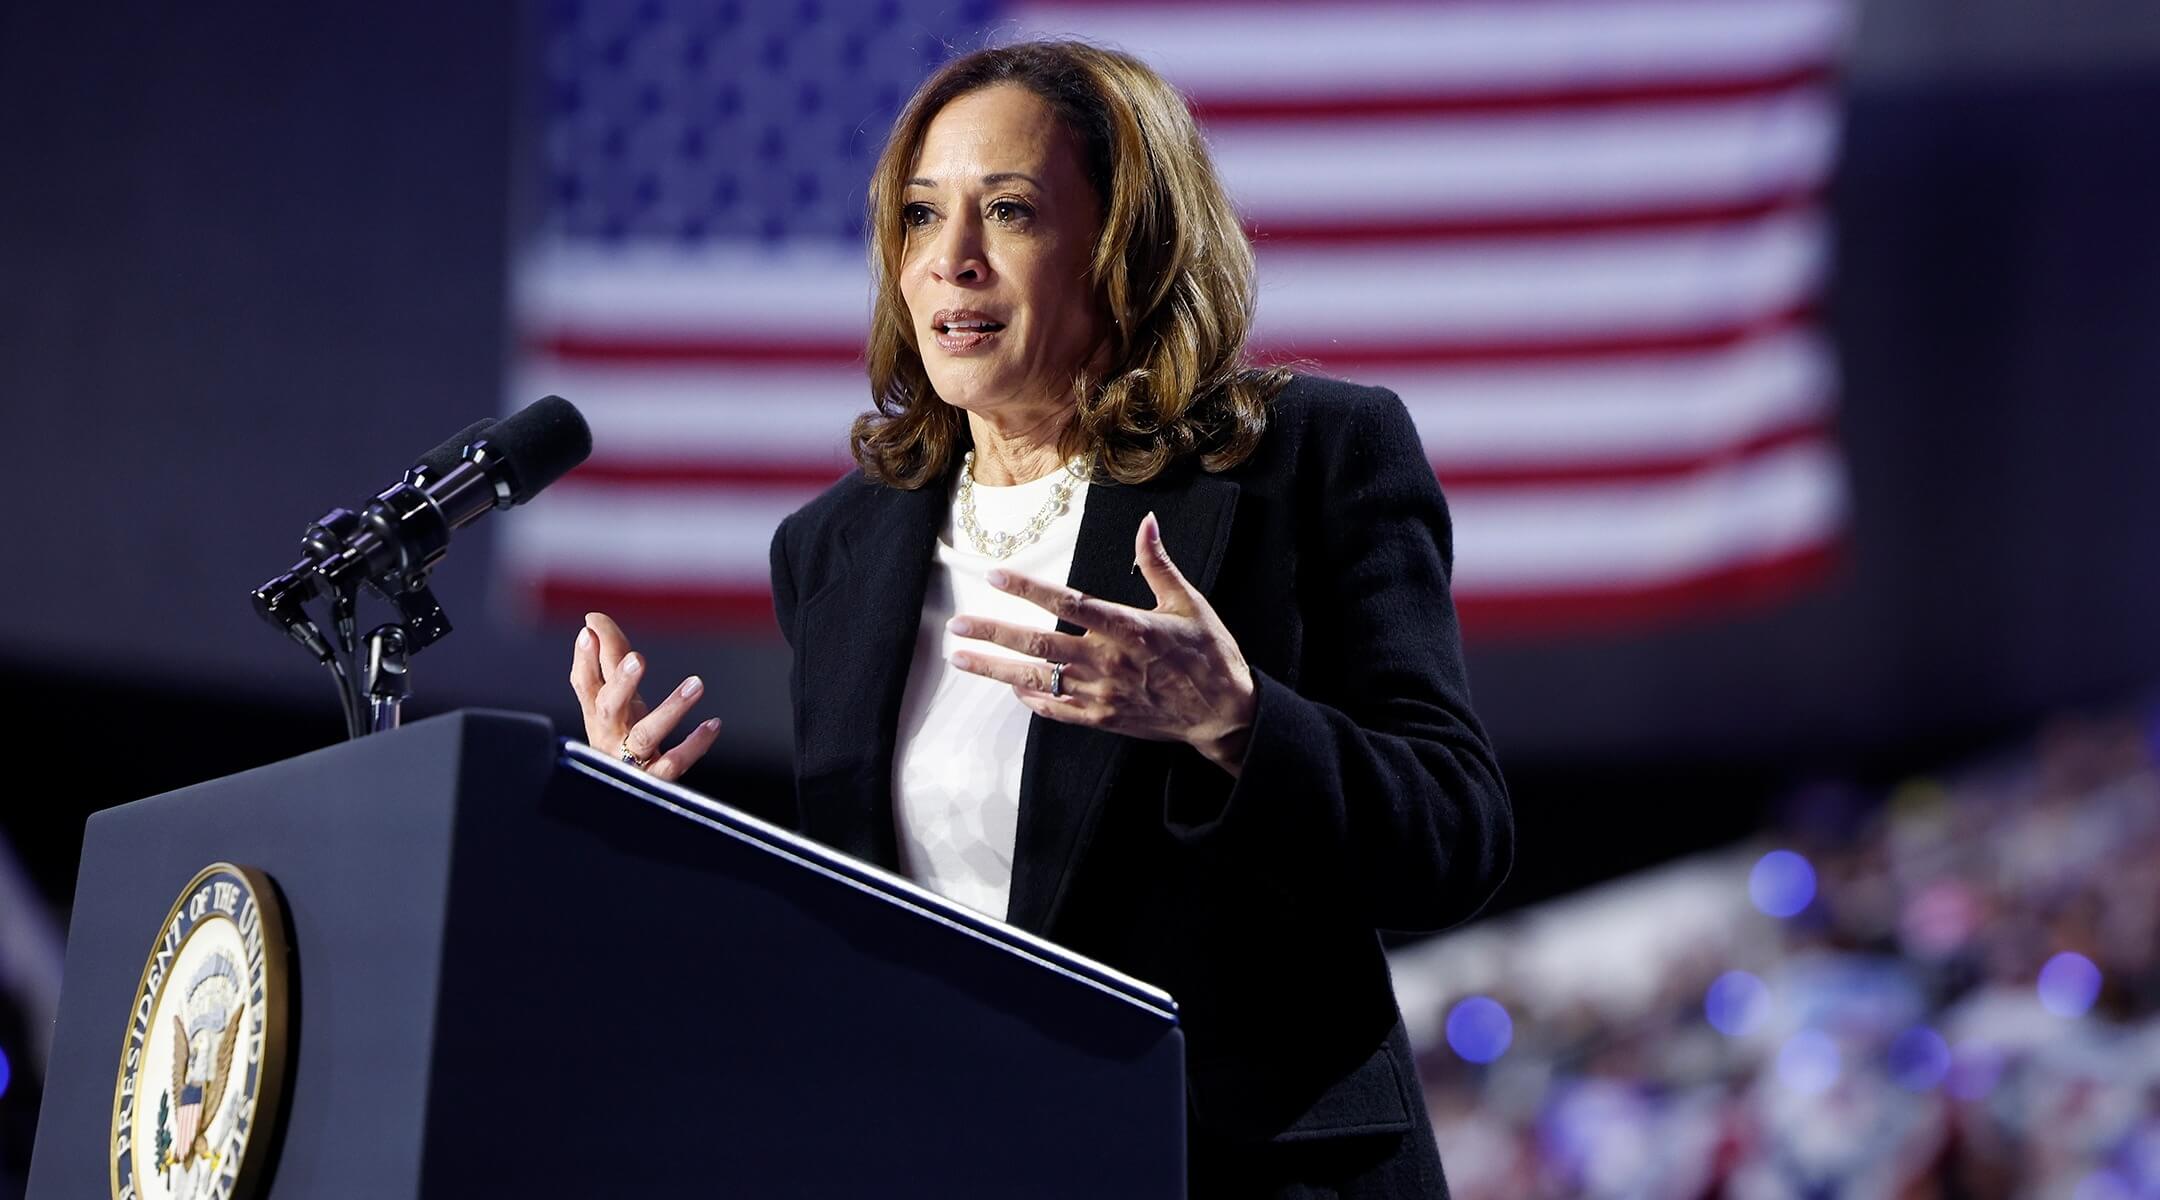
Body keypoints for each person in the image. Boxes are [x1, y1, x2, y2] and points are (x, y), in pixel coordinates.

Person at [569, 39, 1513, 1197]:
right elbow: (867, 925)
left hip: (1232, 1169)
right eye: (921, 218)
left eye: (1007, 211)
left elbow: (1454, 839)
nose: (950, 263)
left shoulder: (1306, 462)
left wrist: (1236, 721)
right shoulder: (835, 551)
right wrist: (656, 828)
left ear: (1127, 245)